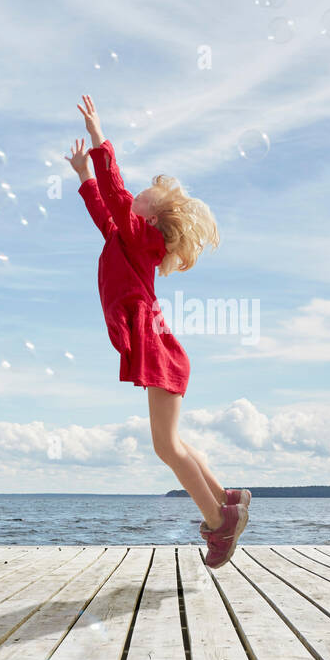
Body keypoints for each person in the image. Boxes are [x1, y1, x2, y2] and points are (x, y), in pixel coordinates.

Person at [66, 94, 251, 568]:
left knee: (166, 446)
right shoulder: (126, 237)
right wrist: (86, 177)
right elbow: (105, 213)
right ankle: (227, 499)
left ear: (148, 217)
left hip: (157, 348)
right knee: (174, 442)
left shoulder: (143, 237)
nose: (133, 195)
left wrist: (98, 137)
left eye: (141, 196)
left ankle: (218, 523)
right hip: (158, 347)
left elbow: (117, 195)